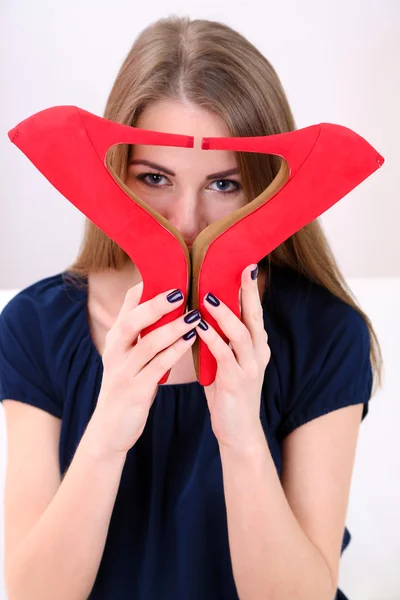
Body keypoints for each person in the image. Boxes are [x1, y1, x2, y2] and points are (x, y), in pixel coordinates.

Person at [0, 15, 382, 600]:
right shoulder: (34, 327)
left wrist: (240, 437)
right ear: (117, 175)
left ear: (265, 187)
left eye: (223, 185)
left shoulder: (327, 334)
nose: (186, 220)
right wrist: (106, 433)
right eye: (155, 177)